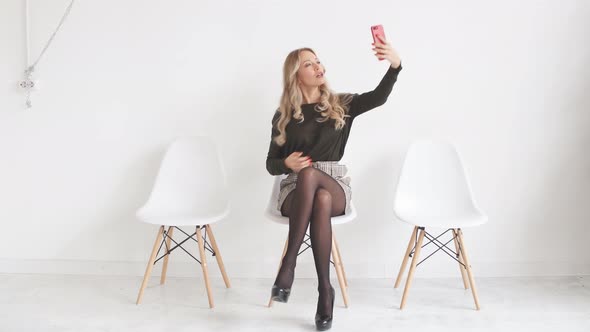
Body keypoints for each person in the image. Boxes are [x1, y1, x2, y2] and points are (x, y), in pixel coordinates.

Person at [265, 35, 402, 331]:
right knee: (317, 196)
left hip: (334, 181)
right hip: (294, 189)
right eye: (308, 64)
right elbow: (270, 164)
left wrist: (395, 65)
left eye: (318, 61)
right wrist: (286, 163)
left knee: (315, 179)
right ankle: (325, 291)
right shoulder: (283, 116)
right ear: (295, 75)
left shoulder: (341, 104)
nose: (317, 66)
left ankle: (288, 266)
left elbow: (378, 97)